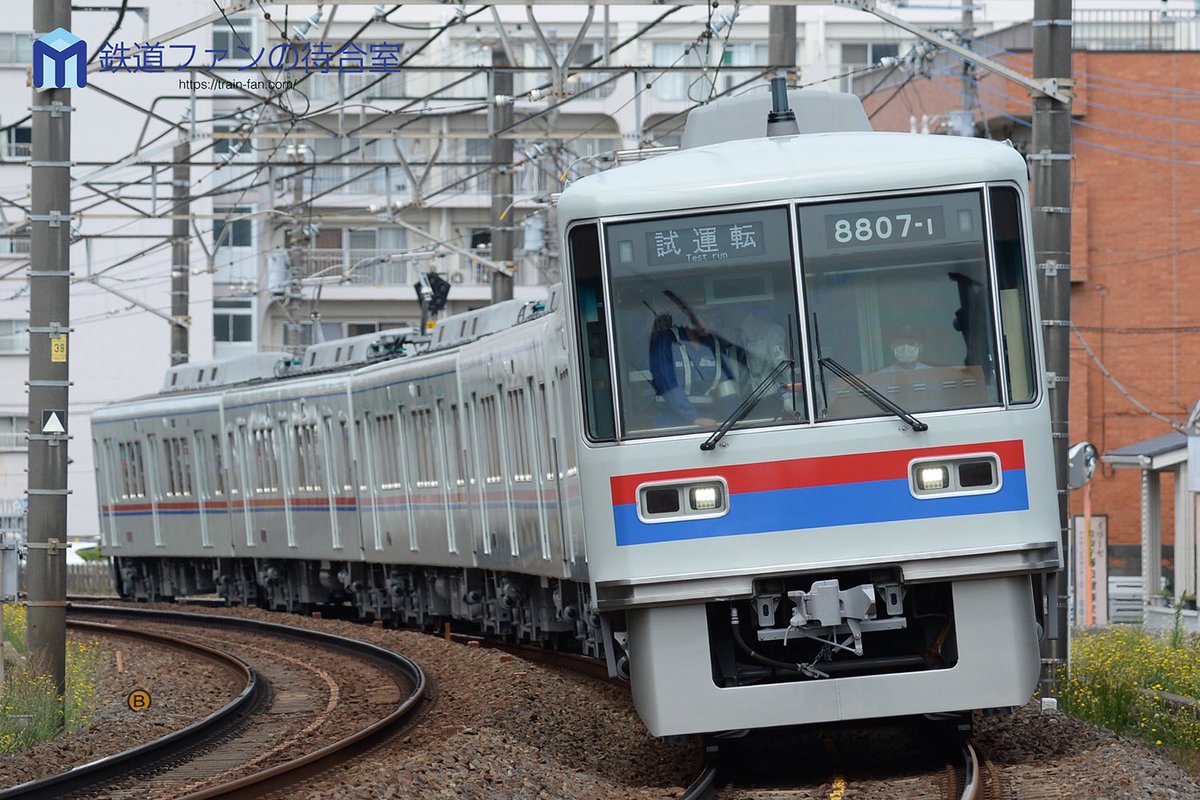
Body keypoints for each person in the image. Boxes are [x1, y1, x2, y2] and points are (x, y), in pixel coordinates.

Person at [648, 305, 745, 428]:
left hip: (708, 421)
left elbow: (727, 384)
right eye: (705, 317)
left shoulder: (715, 344)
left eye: (713, 318)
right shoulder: (666, 340)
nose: (711, 324)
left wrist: (735, 419)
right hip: (671, 422)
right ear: (688, 317)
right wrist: (693, 417)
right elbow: (666, 381)